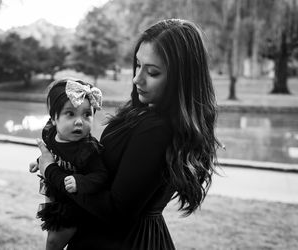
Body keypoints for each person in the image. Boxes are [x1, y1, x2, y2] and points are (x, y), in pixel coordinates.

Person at [34, 19, 221, 250]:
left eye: (152, 72)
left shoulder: (158, 129)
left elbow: (115, 210)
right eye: (138, 65)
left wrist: (51, 171)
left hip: (124, 241)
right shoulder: (144, 111)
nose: (137, 78)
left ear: (181, 78)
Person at [29, 78, 108, 250]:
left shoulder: (88, 149)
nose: (79, 121)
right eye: (70, 114)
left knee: (53, 242)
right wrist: (38, 162)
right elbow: (50, 152)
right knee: (50, 229)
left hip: (72, 205)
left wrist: (80, 182)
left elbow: (101, 175)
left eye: (87, 114)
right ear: (54, 119)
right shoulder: (50, 133)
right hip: (54, 193)